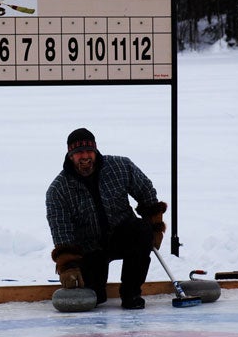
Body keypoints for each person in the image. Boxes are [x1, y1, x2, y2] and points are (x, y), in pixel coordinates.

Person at [46, 128, 167, 309]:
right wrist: (68, 266)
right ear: (70, 156)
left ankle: (131, 294)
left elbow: (146, 191)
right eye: (79, 153)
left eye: (89, 151)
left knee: (142, 231)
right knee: (96, 298)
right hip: (89, 247)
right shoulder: (58, 190)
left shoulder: (120, 166)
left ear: (95, 151)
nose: (85, 157)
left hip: (123, 235)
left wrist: (155, 226)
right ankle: (97, 289)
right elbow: (61, 229)